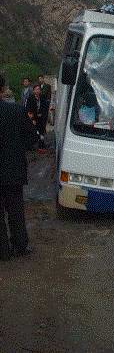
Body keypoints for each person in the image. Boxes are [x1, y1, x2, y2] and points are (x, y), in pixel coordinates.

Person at [0, 72, 37, 259]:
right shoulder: (17, 111)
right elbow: (33, 138)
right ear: (3, 89)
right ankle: (20, 247)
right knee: (15, 211)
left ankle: (2, 251)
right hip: (13, 170)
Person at [26, 84, 48, 149]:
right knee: (33, 131)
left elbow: (45, 107)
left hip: (41, 117)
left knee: (41, 131)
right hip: (34, 117)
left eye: (39, 89)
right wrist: (32, 119)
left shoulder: (43, 97)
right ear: (33, 91)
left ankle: (41, 145)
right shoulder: (30, 98)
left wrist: (43, 114)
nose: (38, 90)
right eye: (36, 89)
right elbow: (28, 109)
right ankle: (31, 145)